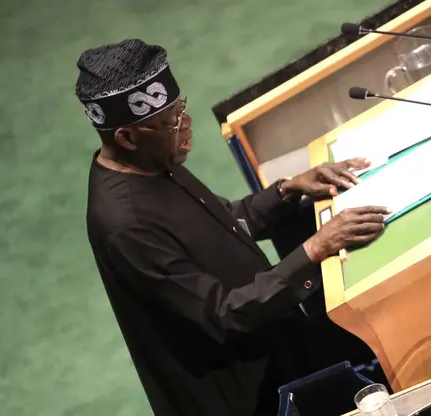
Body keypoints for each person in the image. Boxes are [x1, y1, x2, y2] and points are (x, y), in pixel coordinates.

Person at [77, 39, 389, 416]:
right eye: (173, 121)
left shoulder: (151, 158)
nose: (186, 124)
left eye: (181, 109)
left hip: (278, 348)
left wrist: (286, 190)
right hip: (248, 396)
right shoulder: (125, 224)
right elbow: (222, 315)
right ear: (126, 137)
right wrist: (315, 249)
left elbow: (221, 221)